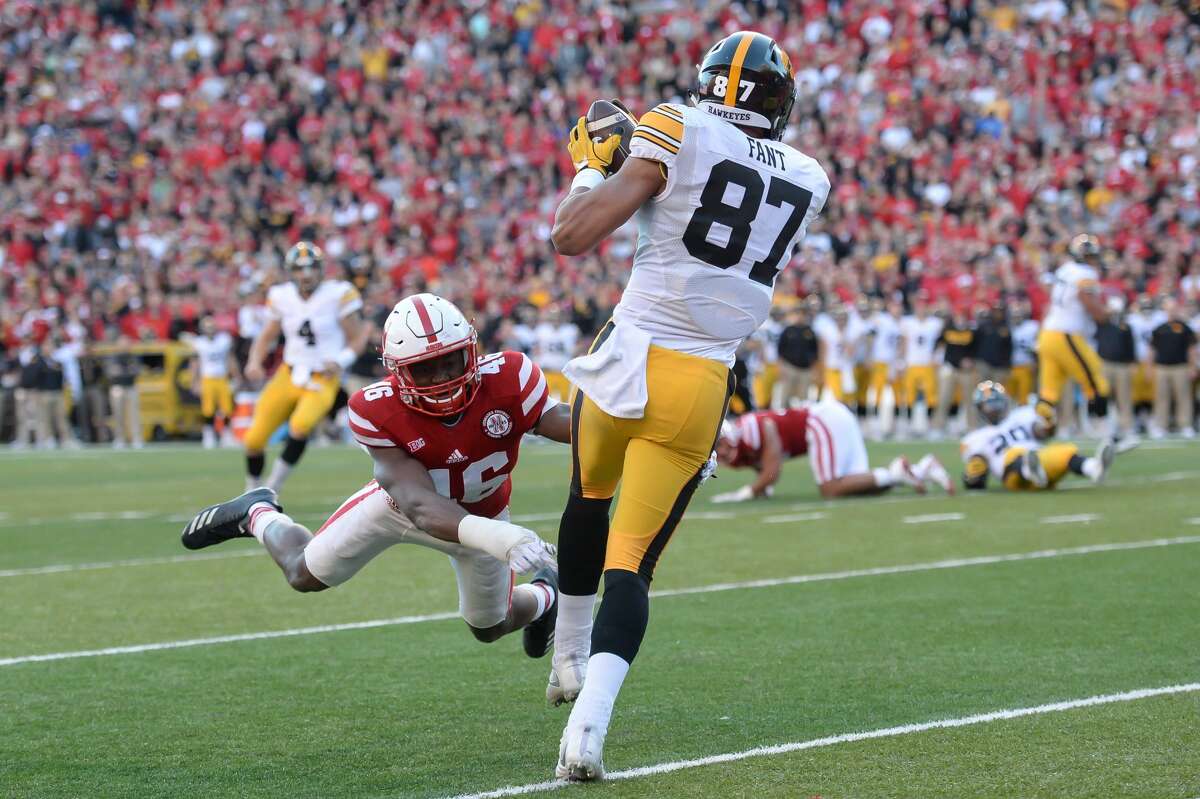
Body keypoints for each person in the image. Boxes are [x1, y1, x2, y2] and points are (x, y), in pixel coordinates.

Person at [547, 31, 830, 780]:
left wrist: (589, 166)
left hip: (624, 359)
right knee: (631, 564)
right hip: (699, 380)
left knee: (585, 500)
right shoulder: (811, 175)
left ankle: (567, 655)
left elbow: (572, 236)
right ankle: (587, 727)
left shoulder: (674, 122)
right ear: (781, 102)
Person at [182, 294, 567, 656]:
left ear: (471, 349)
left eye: (450, 361)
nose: (441, 379)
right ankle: (258, 511)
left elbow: (572, 424)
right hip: (399, 508)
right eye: (424, 369)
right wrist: (500, 535)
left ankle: (546, 595)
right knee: (302, 573)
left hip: (483, 515)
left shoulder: (510, 376)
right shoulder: (374, 408)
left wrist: (619, 417)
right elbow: (418, 504)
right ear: (397, 371)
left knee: (489, 627)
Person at [242, 242, 368, 493]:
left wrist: (340, 361)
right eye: (300, 269)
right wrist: (254, 361)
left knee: (300, 426)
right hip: (288, 373)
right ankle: (251, 490)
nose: (306, 274)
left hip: (322, 376)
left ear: (321, 269)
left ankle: (272, 488)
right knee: (253, 440)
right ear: (291, 271)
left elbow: (358, 338)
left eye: (311, 267)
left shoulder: (338, 293)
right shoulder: (281, 295)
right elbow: (266, 336)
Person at [710, 400, 952, 501]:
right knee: (861, 487)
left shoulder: (750, 427)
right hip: (833, 418)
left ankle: (897, 473)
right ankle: (922, 469)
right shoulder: (739, 447)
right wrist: (762, 487)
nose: (720, 452)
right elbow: (762, 464)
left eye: (720, 445)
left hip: (821, 421)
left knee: (830, 489)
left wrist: (748, 492)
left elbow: (773, 466)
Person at [960, 381, 1114, 492]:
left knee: (1065, 451)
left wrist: (1049, 421)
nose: (994, 409)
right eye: (990, 405)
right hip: (1012, 476)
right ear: (980, 408)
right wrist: (972, 477)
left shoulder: (1021, 414)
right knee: (1015, 454)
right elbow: (975, 482)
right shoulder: (974, 438)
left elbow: (1043, 432)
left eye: (997, 403)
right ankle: (1030, 471)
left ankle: (1094, 468)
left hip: (1040, 460)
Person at [1035, 234, 1111, 436]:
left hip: (1048, 333)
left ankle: (1034, 430)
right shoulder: (1085, 273)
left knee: (1049, 391)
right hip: (1066, 334)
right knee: (1095, 378)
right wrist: (1106, 314)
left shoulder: (1065, 269)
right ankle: (1103, 429)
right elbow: (1087, 300)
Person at [186, 316, 239, 448]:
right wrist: (194, 381)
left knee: (227, 408)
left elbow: (230, 359)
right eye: (207, 327)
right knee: (208, 409)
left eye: (212, 326)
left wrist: (236, 375)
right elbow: (195, 363)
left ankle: (226, 435)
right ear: (203, 329)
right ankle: (208, 435)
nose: (210, 330)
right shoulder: (199, 342)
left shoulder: (224, 340)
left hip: (222, 377)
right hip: (207, 378)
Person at [1149, 298, 1198, 438]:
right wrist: (1149, 367)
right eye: (1169, 309)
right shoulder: (1159, 328)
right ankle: (1160, 426)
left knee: (1183, 397)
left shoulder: (1185, 327)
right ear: (1165, 310)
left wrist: (1192, 366)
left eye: (1174, 308)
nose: (1172, 311)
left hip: (1180, 367)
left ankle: (1185, 425)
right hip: (1162, 367)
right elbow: (1152, 349)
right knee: (1161, 397)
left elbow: (1191, 349)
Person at [898, 292, 944, 436]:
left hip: (928, 364)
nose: (921, 308)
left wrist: (938, 358)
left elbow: (940, 343)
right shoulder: (908, 322)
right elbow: (904, 342)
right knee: (909, 396)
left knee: (931, 396)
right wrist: (901, 361)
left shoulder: (935, 323)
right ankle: (910, 426)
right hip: (912, 363)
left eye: (924, 305)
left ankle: (930, 426)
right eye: (919, 305)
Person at [1095, 296, 1137, 443]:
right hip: (1105, 363)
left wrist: (1133, 363)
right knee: (1103, 395)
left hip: (1122, 365)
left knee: (1124, 397)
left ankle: (1127, 426)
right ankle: (1104, 427)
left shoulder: (1125, 325)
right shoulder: (1102, 323)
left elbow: (1131, 346)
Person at [932, 306, 976, 437]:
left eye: (962, 316)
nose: (960, 319)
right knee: (944, 398)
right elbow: (938, 344)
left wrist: (970, 360)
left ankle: (972, 427)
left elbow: (975, 349)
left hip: (966, 371)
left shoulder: (971, 332)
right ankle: (938, 427)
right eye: (958, 316)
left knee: (970, 401)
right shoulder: (948, 329)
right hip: (950, 368)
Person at [865, 297, 903, 436]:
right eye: (894, 306)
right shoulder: (881, 319)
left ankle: (897, 426)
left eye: (898, 306)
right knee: (877, 394)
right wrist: (869, 356)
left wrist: (900, 360)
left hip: (893, 362)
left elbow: (900, 343)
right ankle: (875, 426)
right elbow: (870, 337)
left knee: (898, 395)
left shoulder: (902, 322)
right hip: (879, 361)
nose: (897, 309)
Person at [774, 303, 820, 408]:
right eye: (797, 313)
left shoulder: (810, 331)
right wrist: (781, 367)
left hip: (805, 369)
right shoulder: (788, 331)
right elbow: (780, 350)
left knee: (803, 398)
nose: (800, 316)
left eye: (803, 314)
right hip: (790, 367)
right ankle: (784, 417)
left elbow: (815, 351)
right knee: (785, 396)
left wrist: (814, 369)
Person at [533, 305, 581, 403]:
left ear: (563, 317)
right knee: (546, 402)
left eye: (558, 317)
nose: (556, 320)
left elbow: (579, 347)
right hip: (547, 371)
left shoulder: (571, 330)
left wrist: (574, 353)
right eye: (553, 317)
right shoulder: (541, 330)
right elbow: (536, 349)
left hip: (564, 372)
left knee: (567, 402)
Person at [1008, 301, 1039, 405]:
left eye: (1018, 315)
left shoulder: (1032, 326)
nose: (1016, 317)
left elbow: (1038, 346)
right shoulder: (1007, 328)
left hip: (1027, 366)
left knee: (1025, 397)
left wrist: (1035, 360)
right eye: (1014, 315)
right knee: (1009, 396)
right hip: (1010, 366)